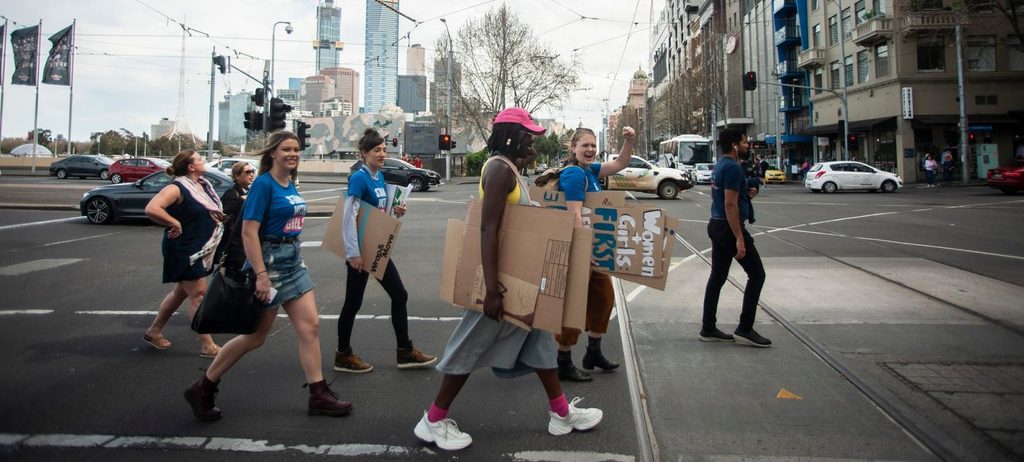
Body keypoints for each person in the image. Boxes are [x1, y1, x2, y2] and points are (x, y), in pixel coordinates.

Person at [413, 107, 603, 451]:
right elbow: (488, 229)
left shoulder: (510, 169)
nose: (532, 141)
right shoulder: (499, 170)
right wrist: (491, 290)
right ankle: (434, 420)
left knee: (541, 343)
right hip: (499, 282)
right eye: (528, 135)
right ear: (512, 135)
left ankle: (561, 413)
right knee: (468, 348)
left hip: (516, 277)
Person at [183, 131, 352, 421]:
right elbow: (248, 231)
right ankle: (204, 387)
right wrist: (261, 275)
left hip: (293, 263)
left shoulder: (289, 184)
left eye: (297, 149)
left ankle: (318, 394)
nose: (293, 153)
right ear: (272, 153)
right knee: (255, 337)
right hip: (270, 266)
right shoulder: (264, 184)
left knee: (310, 326)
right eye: (286, 149)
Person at [334, 129, 437, 373]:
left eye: (384, 150)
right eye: (377, 150)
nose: (382, 154)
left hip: (376, 247)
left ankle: (405, 351)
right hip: (361, 250)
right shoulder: (358, 178)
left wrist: (395, 212)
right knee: (352, 303)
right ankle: (343, 354)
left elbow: (378, 212)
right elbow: (349, 216)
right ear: (363, 153)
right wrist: (353, 253)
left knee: (399, 295)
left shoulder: (378, 177)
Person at [553, 125, 636, 382]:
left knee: (603, 298)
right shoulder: (575, 174)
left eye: (593, 145)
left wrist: (628, 140)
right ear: (573, 148)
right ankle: (563, 361)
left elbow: (621, 162)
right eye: (584, 145)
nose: (590, 150)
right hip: (581, 250)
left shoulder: (591, 171)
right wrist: (582, 249)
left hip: (595, 251)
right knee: (574, 305)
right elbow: (574, 214)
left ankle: (593, 353)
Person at [143, 150, 224, 358]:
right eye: (199, 159)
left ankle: (154, 331)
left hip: (197, 247)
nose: (203, 161)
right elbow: (152, 208)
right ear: (190, 166)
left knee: (181, 292)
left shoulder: (201, 185)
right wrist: (174, 222)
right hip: (183, 249)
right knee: (198, 294)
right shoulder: (176, 187)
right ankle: (207, 344)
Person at [700, 130, 771, 348]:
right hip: (728, 226)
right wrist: (739, 237)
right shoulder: (732, 167)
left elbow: (728, 197)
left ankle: (708, 327)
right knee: (757, 274)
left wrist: (746, 194)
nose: (747, 145)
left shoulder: (721, 164)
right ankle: (745, 327)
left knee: (718, 276)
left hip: (716, 223)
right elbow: (730, 205)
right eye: (744, 142)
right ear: (734, 145)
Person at [217, 162, 256, 274]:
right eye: (248, 172)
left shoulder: (247, 192)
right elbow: (225, 213)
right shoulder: (232, 193)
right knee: (234, 278)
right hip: (235, 244)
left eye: (252, 171)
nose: (251, 175)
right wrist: (240, 201)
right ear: (237, 176)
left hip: (244, 242)